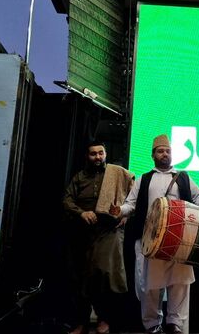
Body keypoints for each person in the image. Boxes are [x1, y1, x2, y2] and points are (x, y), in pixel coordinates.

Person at [111, 135, 199, 334]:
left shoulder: (183, 177)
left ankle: (175, 323)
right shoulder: (144, 179)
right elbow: (130, 204)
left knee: (180, 282)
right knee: (151, 285)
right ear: (153, 155)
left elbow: (198, 196)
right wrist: (120, 210)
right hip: (153, 240)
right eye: (160, 151)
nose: (165, 154)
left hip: (180, 238)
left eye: (167, 151)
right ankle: (152, 325)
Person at [63, 142, 135, 334]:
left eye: (101, 153)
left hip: (109, 230)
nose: (97, 157)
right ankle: (82, 322)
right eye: (93, 154)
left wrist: (126, 215)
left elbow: (133, 198)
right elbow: (67, 200)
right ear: (87, 156)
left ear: (105, 154)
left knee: (105, 274)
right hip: (84, 232)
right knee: (82, 277)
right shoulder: (80, 177)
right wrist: (81, 213)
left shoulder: (117, 173)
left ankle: (105, 319)